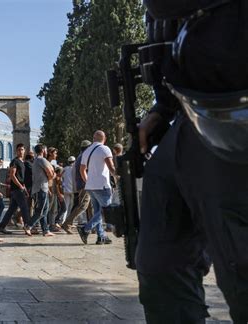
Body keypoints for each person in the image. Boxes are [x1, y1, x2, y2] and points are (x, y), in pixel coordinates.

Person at [135, 2, 248, 323]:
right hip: (195, 114)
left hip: (238, 114)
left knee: (239, 263)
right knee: (161, 260)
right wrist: (164, 106)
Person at [77, 130, 115, 245]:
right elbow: (111, 167)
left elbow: (81, 169)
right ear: (105, 138)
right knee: (106, 212)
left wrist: (88, 181)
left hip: (91, 186)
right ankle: (85, 229)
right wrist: (118, 176)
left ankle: (101, 236)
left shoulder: (86, 151)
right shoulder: (105, 149)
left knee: (98, 211)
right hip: (102, 185)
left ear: (93, 139)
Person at [0, 143, 30, 235]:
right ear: (16, 151)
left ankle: (2, 226)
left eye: (22, 149)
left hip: (20, 188)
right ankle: (28, 226)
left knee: (11, 209)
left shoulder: (22, 162)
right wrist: (20, 186)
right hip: (17, 189)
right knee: (24, 208)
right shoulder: (15, 161)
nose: (21, 151)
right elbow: (12, 175)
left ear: (24, 151)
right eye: (19, 150)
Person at [24, 144, 55, 237]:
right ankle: (28, 225)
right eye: (45, 149)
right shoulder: (41, 160)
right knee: (41, 211)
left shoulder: (36, 160)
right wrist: (52, 176)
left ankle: (45, 230)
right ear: (43, 150)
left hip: (39, 188)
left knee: (44, 210)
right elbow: (50, 172)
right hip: (41, 188)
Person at [61, 140, 92, 234]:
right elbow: (84, 171)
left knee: (89, 207)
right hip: (84, 185)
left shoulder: (80, 156)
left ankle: (92, 226)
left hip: (81, 185)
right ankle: (67, 223)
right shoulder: (84, 157)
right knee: (82, 206)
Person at [61, 156, 76, 225]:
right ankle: (70, 222)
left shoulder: (64, 169)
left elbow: (61, 177)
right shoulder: (75, 168)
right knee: (73, 206)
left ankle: (63, 221)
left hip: (66, 190)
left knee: (66, 206)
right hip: (74, 190)